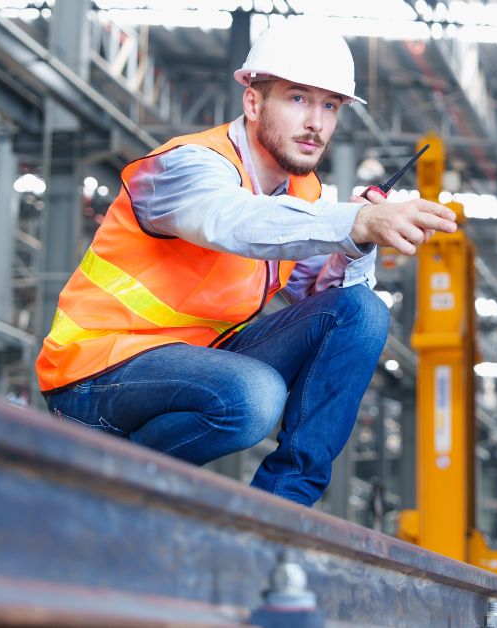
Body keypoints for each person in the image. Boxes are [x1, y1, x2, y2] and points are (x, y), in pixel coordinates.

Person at [34, 19, 457, 507]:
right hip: (95, 372)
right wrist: (353, 219)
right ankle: (107, 491)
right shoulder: (187, 165)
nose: (316, 123)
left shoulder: (303, 194)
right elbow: (231, 220)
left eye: (330, 106)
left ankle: (281, 511)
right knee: (253, 396)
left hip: (201, 362)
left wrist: (357, 242)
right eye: (298, 98)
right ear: (253, 102)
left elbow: (324, 305)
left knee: (361, 313)